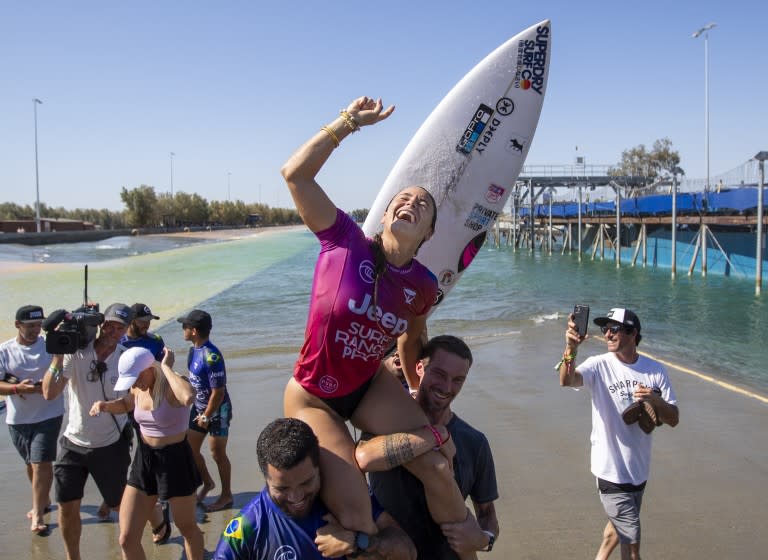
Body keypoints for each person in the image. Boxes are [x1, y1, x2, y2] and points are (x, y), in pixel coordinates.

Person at [281, 96, 474, 559]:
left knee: (437, 464)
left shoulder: (424, 287)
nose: (410, 201)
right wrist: (348, 123)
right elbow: (295, 175)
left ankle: (465, 545)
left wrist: (412, 386)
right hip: (314, 394)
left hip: (369, 385)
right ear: (385, 215)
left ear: (428, 234)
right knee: (357, 517)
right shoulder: (343, 241)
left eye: (422, 204)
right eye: (401, 199)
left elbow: (412, 337)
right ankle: (371, 536)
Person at [358, 335, 499, 559]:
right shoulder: (387, 422)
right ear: (419, 369)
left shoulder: (475, 441)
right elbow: (363, 460)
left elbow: (486, 512)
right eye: (439, 374)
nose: (446, 387)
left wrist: (484, 539)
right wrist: (435, 436)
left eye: (458, 380)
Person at [557, 307, 680, 560]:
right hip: (610, 471)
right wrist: (571, 349)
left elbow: (673, 418)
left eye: (614, 329)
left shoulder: (655, 370)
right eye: (605, 329)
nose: (608, 334)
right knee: (632, 547)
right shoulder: (598, 365)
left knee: (617, 531)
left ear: (633, 333)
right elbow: (567, 380)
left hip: (638, 471)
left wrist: (654, 402)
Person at [213, 417, 415, 560]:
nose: (296, 497)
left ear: (319, 468)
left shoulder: (346, 497)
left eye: (306, 483)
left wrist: (358, 543)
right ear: (266, 479)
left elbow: (407, 551)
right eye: (282, 488)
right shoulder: (247, 527)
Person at [89, 346, 204, 560]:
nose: (134, 384)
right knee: (127, 537)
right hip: (144, 460)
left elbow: (188, 397)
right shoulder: (137, 388)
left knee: (187, 529)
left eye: (136, 377)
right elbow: (126, 404)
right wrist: (105, 406)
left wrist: (166, 368)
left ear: (150, 368)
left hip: (175, 461)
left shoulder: (171, 384)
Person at [42, 303, 134, 560]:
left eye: (120, 327)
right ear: (101, 325)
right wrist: (58, 355)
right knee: (67, 507)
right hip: (73, 443)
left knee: (120, 505)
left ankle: (144, 535)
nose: (113, 331)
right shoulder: (76, 353)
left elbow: (130, 404)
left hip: (110, 444)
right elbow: (50, 393)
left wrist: (108, 406)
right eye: (110, 325)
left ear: (126, 330)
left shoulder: (126, 359)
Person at [0, 305, 64, 534]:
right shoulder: (4, 350)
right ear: (17, 325)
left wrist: (48, 384)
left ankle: (37, 513)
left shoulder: (51, 345)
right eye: (30, 326)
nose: (36, 330)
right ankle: (44, 499)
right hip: (17, 419)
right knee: (30, 463)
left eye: (39, 325)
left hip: (50, 414)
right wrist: (18, 388)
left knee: (41, 463)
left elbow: (65, 370)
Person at [120, 302, 170, 544]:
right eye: (142, 321)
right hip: (125, 406)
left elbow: (166, 368)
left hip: (153, 406)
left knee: (152, 452)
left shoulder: (155, 340)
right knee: (128, 454)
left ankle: (159, 499)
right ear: (131, 321)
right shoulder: (120, 343)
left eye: (149, 321)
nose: (147, 325)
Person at [178, 309, 234, 512]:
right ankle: (207, 482)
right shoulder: (193, 351)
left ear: (193, 330)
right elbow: (198, 381)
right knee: (190, 449)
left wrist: (207, 415)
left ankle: (226, 496)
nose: (182, 329)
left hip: (217, 411)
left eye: (184, 326)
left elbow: (218, 393)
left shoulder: (212, 356)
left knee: (217, 454)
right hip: (199, 408)